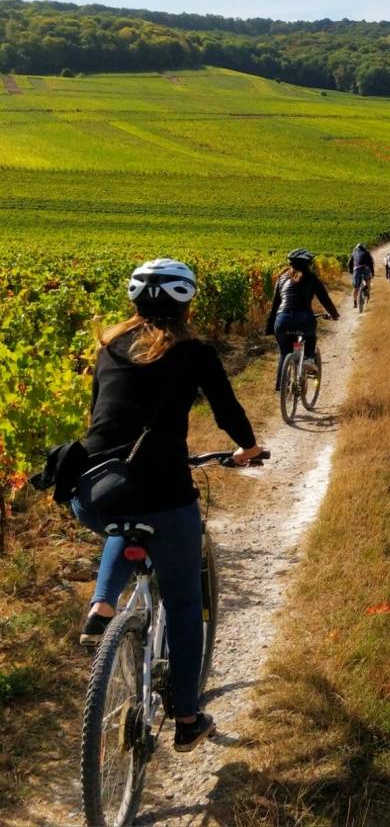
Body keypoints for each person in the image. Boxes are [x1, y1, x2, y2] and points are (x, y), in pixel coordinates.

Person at [71, 258, 264, 752]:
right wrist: (247, 448)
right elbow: (226, 409)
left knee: (124, 522)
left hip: (95, 489)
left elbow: (100, 416)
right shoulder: (193, 351)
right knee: (183, 602)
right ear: (187, 304)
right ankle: (186, 719)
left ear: (134, 301)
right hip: (164, 489)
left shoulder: (108, 345)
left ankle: (102, 603)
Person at [265, 248, 340, 390]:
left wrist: (270, 327)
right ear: (308, 264)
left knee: (285, 352)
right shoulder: (311, 278)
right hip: (303, 319)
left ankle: (281, 386)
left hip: (282, 321)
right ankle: (308, 359)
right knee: (310, 336)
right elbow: (324, 298)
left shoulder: (281, 279)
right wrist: (334, 314)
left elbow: (275, 306)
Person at [348, 241, 375, 308]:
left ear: (357, 248)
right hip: (366, 268)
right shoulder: (367, 252)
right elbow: (371, 263)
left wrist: (351, 271)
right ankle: (367, 291)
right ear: (364, 247)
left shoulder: (353, 253)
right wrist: (372, 272)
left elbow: (349, 263)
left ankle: (355, 303)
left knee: (355, 288)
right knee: (368, 280)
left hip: (356, 269)